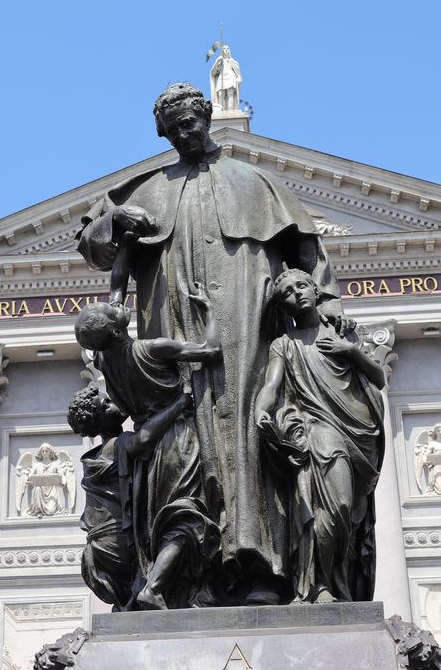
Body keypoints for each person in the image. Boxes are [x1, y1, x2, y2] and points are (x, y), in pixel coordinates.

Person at [75, 82, 352, 602]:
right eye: (172, 129)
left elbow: (310, 255)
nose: (184, 134)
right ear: (163, 134)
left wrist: (328, 306)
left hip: (249, 329)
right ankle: (186, 578)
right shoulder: (147, 189)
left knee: (250, 431)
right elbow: (93, 244)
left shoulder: (256, 183)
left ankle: (260, 571)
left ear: (206, 117)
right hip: (171, 326)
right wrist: (115, 220)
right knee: (185, 442)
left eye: (190, 123)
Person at [74, 283, 221, 610]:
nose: (119, 306)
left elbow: (110, 313)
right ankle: (155, 587)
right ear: (116, 329)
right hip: (177, 437)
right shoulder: (152, 348)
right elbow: (211, 350)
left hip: (149, 456)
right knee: (185, 513)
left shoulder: (104, 361)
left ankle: (160, 585)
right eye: (113, 311)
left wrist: (117, 289)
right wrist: (210, 311)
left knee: (160, 520)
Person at [255, 267, 385, 604]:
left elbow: (379, 377)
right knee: (334, 505)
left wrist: (349, 349)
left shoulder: (343, 332)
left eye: (302, 285)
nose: (297, 293)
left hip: (360, 433)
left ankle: (337, 583)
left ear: (315, 290)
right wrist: (261, 410)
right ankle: (319, 585)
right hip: (320, 428)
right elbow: (271, 385)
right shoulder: (284, 344)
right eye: (287, 292)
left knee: (349, 514)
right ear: (283, 306)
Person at [68, 382, 191, 611]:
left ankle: (137, 600)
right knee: (183, 528)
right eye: (106, 404)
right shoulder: (115, 445)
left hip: (100, 545)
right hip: (115, 539)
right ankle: (151, 590)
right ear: (99, 421)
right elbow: (143, 439)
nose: (113, 403)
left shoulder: (93, 456)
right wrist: (180, 404)